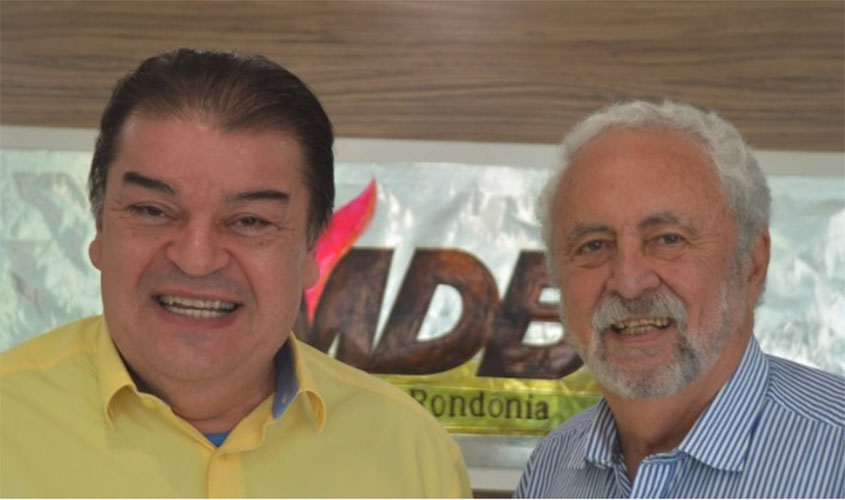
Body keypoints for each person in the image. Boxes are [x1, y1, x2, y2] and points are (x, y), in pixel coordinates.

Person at [0, 48, 470, 497]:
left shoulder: (410, 450)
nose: (196, 259)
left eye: (250, 221)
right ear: (101, 228)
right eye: (152, 210)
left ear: (311, 247)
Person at [516, 100, 844, 498]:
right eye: (594, 245)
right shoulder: (551, 469)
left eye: (668, 239)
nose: (629, 282)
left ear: (752, 262)